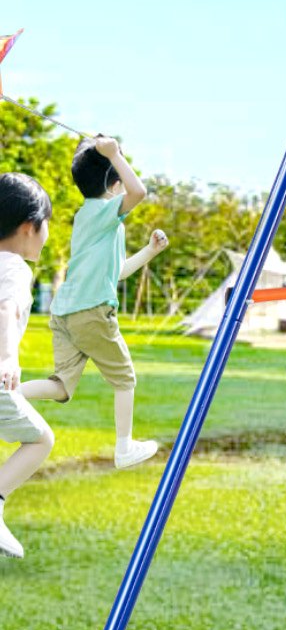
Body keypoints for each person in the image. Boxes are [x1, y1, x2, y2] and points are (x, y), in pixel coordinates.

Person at [21, 135, 168, 469]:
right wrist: (114, 153)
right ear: (115, 183)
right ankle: (124, 447)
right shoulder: (105, 211)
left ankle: (9, 395)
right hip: (91, 313)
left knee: (60, 386)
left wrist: (150, 252)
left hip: (65, 314)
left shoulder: (87, 217)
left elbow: (114, 274)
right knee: (125, 379)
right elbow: (139, 192)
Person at [0, 173, 57, 558]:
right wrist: (7, 356)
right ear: (28, 226)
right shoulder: (16, 269)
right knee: (40, 439)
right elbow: (7, 308)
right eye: (47, 224)